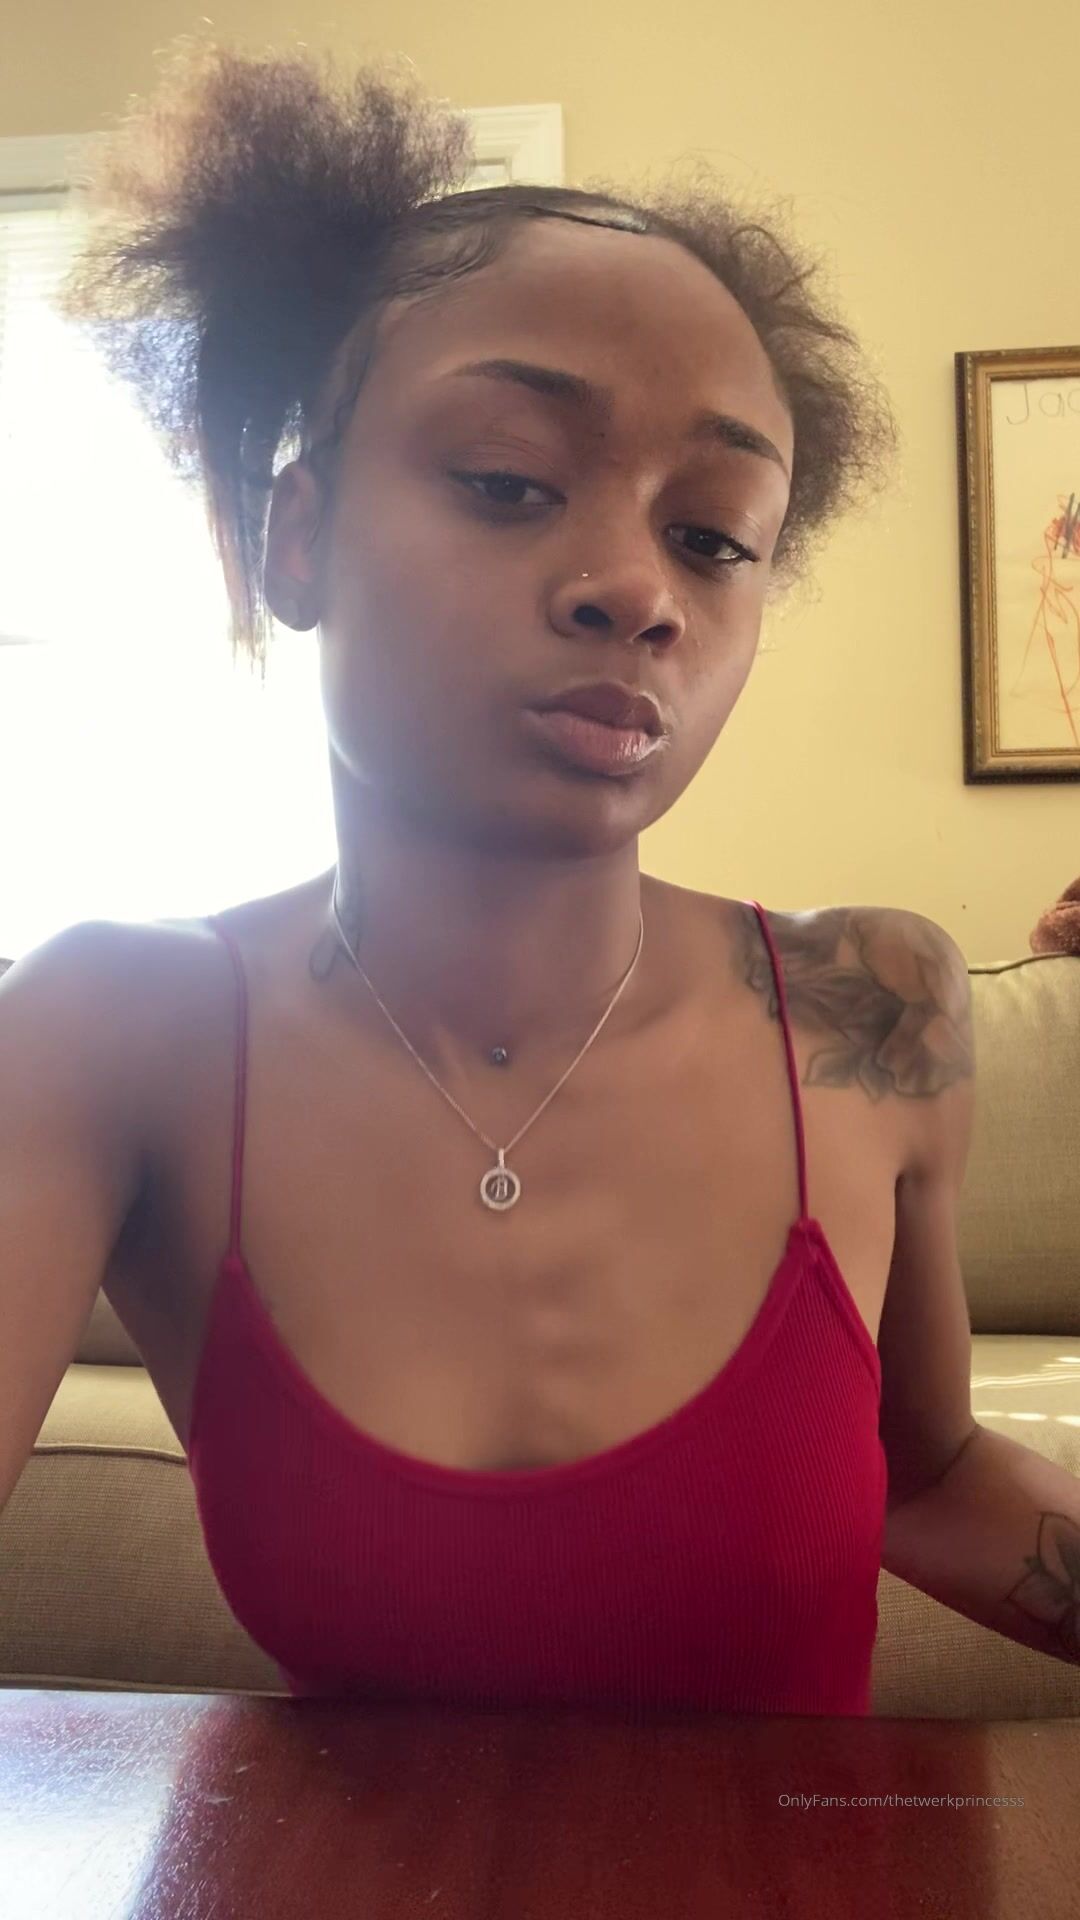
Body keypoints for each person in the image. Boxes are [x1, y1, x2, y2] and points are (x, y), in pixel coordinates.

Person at [0, 36, 972, 1718]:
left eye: (712, 536)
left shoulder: (868, 1008)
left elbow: (936, 1479)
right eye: (510, 481)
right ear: (297, 535)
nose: (635, 591)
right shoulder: (112, 1031)